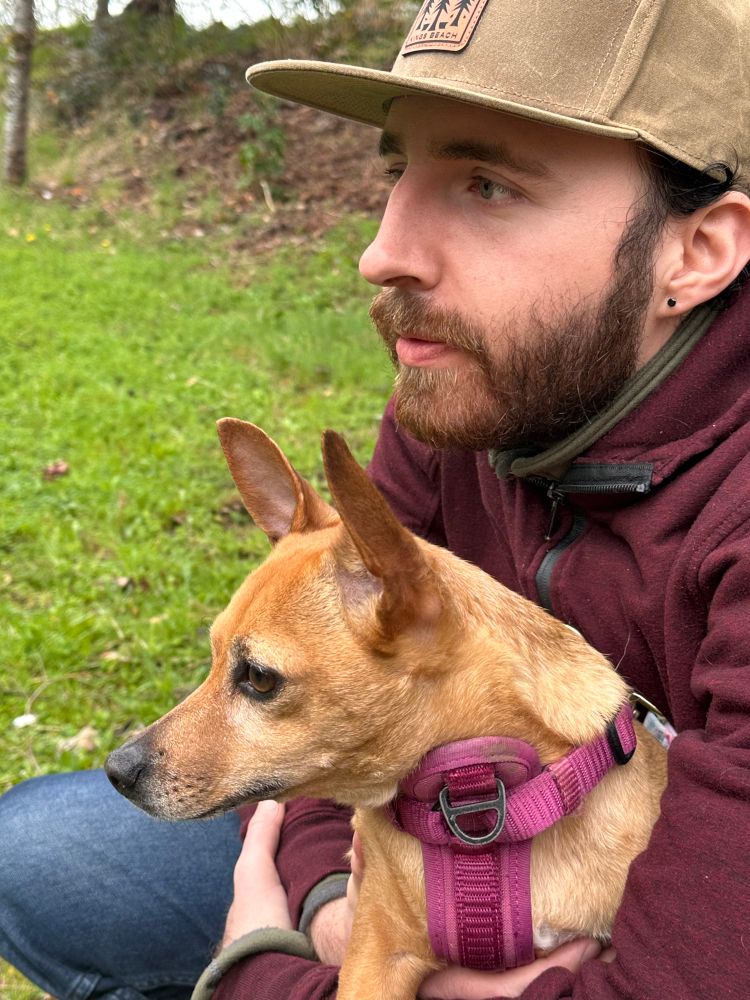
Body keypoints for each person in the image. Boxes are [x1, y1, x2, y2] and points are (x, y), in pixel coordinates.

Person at [2, 0, 749, 997]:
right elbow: (338, 711)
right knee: (36, 855)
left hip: (665, 905)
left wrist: (257, 971)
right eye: (401, 172)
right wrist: (332, 909)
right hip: (413, 834)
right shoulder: (475, 386)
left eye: (487, 183)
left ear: (695, 252)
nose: (381, 251)